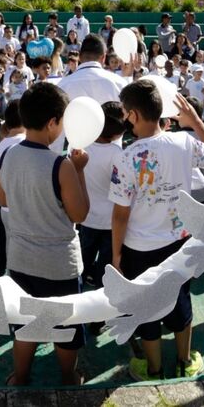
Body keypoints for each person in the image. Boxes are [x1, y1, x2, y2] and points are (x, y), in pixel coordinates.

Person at [110, 81, 204, 380]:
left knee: (146, 305)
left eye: (125, 113)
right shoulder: (185, 143)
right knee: (180, 298)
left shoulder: (126, 156)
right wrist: (196, 121)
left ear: (133, 114)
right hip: (180, 242)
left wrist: (116, 253)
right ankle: (185, 361)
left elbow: (120, 214)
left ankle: (155, 368)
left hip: (139, 246)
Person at [0, 82, 88, 386]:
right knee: (64, 326)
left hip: (21, 259)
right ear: (52, 123)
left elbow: (5, 198)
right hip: (58, 262)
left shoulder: (9, 155)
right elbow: (80, 214)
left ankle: (19, 377)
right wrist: (80, 170)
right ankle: (68, 376)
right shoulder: (60, 165)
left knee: (27, 325)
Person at [78, 101, 125, 292]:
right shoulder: (118, 154)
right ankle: (99, 314)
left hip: (86, 218)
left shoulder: (81, 147)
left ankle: (78, 298)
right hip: (110, 222)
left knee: (82, 263)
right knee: (105, 271)